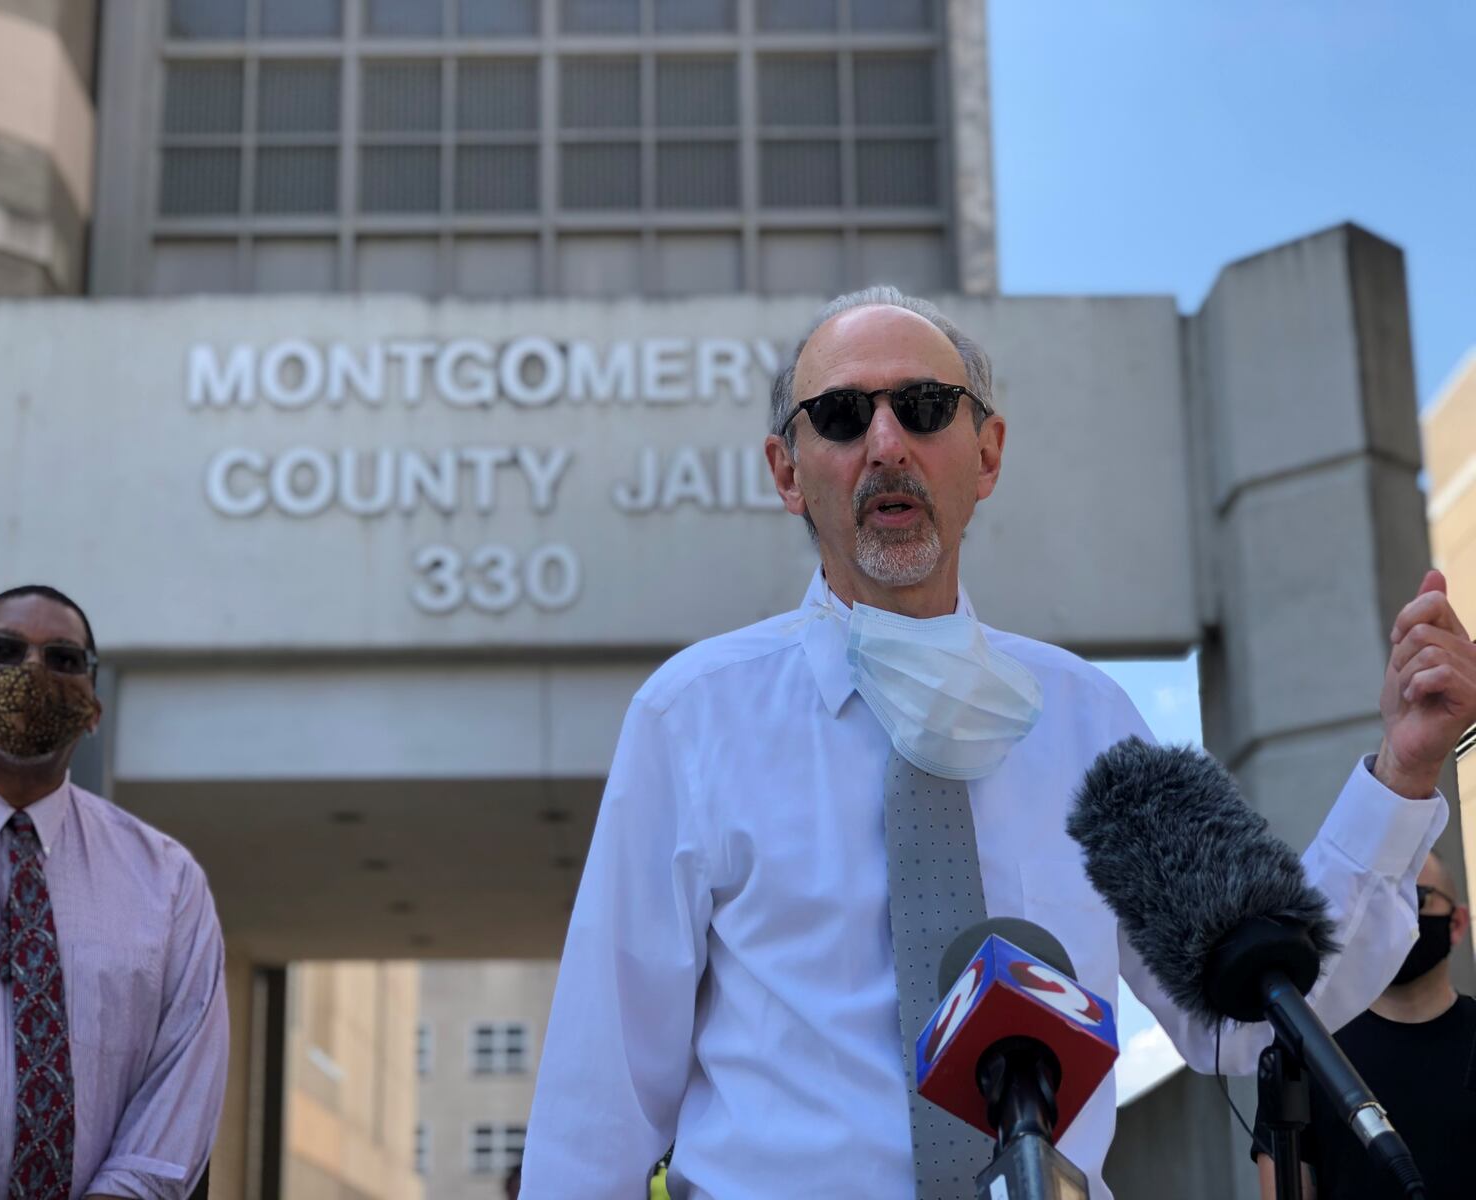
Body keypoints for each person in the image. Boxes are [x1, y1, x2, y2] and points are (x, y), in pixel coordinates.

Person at [519, 288, 1474, 1199]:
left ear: (986, 455)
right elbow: (599, 1105)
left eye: (926, 407)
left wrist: (1406, 770)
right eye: (843, 415)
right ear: (785, 472)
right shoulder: (691, 719)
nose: (887, 442)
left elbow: (1250, 1011)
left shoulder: (1088, 720)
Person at [0, 585, 229, 1200]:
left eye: (63, 659)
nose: (32, 670)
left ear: (94, 709)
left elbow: (180, 1090)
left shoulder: (167, 881)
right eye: (3, 649)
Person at [1252, 849, 1475, 1199]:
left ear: (1457, 922)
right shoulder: (1308, 1050)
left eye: (1414, 899)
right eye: (1378, 903)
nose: (1395, 918)